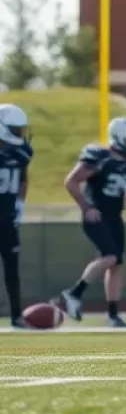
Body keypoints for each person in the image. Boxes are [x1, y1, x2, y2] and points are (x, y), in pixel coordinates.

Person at [58, 117, 126, 327]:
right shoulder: (100, 158)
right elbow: (71, 181)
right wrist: (86, 207)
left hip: (115, 216)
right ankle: (73, 293)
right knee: (110, 257)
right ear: (120, 139)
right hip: (96, 215)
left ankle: (113, 315)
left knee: (116, 264)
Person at [0, 104, 31, 329]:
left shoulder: (22, 152)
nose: (20, 133)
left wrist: (20, 202)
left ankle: (17, 316)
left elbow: (23, 178)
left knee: (12, 269)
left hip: (8, 218)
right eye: (15, 129)